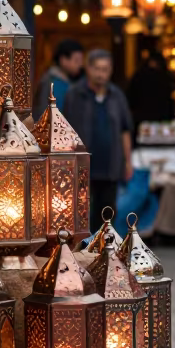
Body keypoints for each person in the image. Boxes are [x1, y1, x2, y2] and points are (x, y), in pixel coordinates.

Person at [63, 49, 134, 233]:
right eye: (97, 69)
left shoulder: (116, 96)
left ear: (110, 71)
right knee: (82, 213)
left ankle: (104, 253)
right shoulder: (75, 94)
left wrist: (128, 162)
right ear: (88, 69)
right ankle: (83, 254)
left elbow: (125, 130)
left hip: (111, 165)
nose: (101, 74)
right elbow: (64, 130)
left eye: (105, 69)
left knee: (108, 213)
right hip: (83, 166)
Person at [33, 39, 84, 120]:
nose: (81, 64)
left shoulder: (77, 80)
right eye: (76, 60)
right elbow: (42, 112)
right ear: (63, 60)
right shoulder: (50, 82)